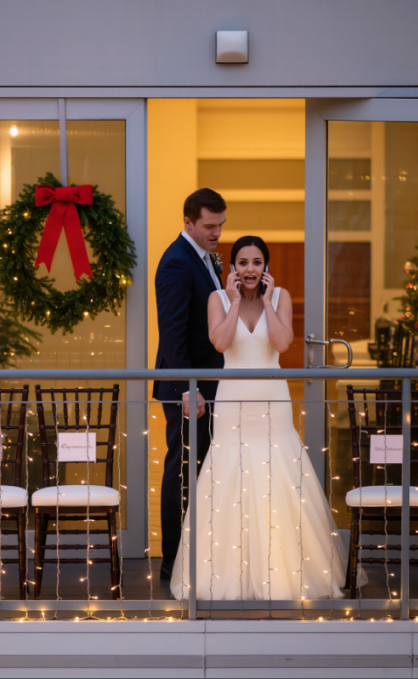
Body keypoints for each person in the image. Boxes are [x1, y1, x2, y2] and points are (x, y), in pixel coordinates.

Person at [170, 236, 349, 601]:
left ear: (265, 267)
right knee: (228, 474)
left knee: (278, 472)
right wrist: (235, 302)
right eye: (242, 262)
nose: (249, 269)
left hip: (272, 401)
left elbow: (282, 344)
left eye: (256, 262)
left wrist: (266, 302)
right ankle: (227, 573)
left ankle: (284, 573)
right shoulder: (216, 299)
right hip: (232, 401)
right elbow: (220, 343)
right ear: (233, 267)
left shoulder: (280, 297)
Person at [153, 188, 226, 582]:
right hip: (189, 388)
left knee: (200, 468)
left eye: (220, 225)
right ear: (188, 222)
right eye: (209, 226)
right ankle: (173, 560)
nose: (216, 233)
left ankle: (196, 556)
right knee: (182, 470)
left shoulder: (204, 257)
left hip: (208, 386)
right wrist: (187, 388)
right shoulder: (177, 263)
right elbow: (172, 333)